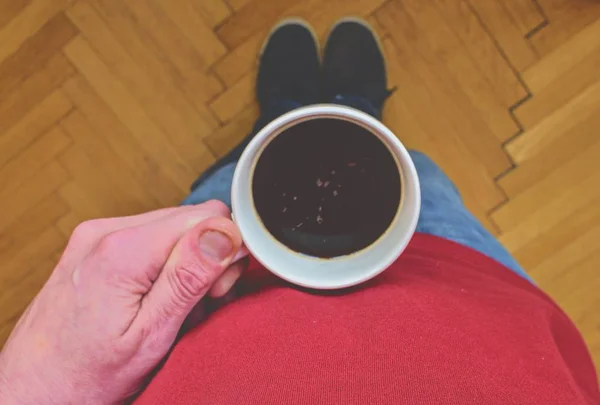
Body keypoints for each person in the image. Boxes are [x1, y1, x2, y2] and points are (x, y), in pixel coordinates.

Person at [0, 19, 598, 405]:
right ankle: (352, 110)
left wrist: (28, 392)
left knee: (235, 178)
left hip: (225, 293)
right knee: (423, 177)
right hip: (464, 279)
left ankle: (282, 117)